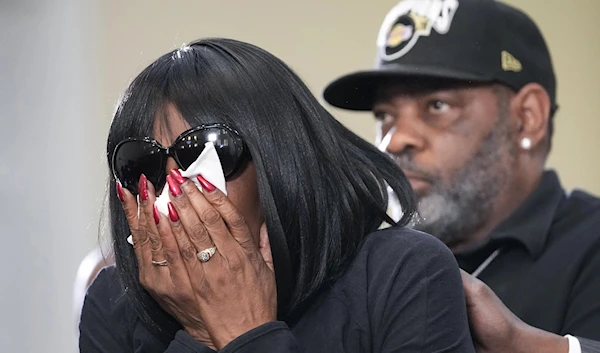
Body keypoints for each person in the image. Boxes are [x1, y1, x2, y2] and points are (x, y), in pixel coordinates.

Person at [78, 38, 476, 352]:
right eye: (140, 164)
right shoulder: (114, 303)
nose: (174, 191)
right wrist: (199, 332)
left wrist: (246, 334)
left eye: (205, 152)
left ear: (280, 157)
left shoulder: (401, 273)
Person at [323, 0, 600, 352]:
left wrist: (523, 346)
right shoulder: (357, 258)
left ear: (527, 117)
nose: (394, 140)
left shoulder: (591, 242)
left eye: (437, 106)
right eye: (384, 115)